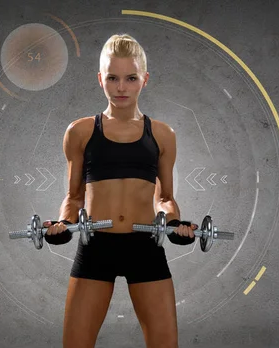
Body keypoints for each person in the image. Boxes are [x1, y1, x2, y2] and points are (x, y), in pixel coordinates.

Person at [43, 33, 198, 348]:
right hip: (96, 248)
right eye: (113, 78)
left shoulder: (163, 135)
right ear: (100, 80)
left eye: (131, 78)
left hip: (145, 248)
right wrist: (61, 224)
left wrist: (171, 224)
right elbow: (73, 197)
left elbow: (165, 198)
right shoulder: (80, 132)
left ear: (145, 79)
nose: (121, 87)